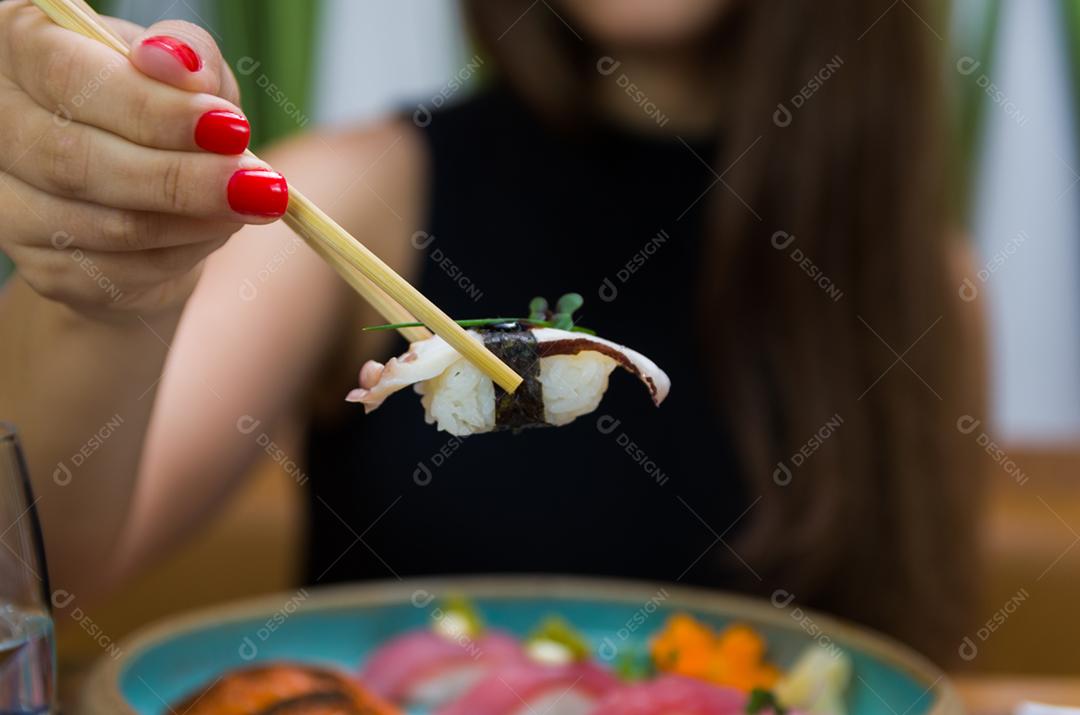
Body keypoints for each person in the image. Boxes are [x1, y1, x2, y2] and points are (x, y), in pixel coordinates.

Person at [0, 0, 985, 662]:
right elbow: (45, 558)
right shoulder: (355, 196)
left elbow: (911, 659)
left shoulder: (921, 280)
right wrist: (104, 286)